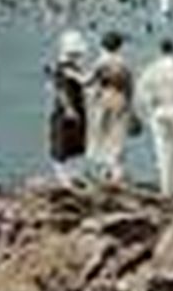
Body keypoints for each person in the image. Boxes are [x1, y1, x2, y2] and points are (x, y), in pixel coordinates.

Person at [136, 37, 173, 195]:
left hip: (160, 110)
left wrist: (150, 107)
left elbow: (142, 89)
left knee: (162, 151)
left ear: (160, 50)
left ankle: (166, 189)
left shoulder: (152, 69)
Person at [88, 30, 135, 185]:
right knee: (117, 136)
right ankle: (116, 172)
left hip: (103, 99)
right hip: (120, 99)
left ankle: (104, 171)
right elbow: (129, 86)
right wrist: (130, 107)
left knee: (101, 135)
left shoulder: (100, 61)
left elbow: (89, 81)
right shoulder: (123, 63)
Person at [46, 30, 90, 188]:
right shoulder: (65, 68)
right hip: (69, 111)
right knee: (64, 145)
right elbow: (63, 91)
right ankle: (66, 180)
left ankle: (71, 178)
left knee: (73, 145)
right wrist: (69, 109)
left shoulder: (66, 67)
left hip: (73, 109)